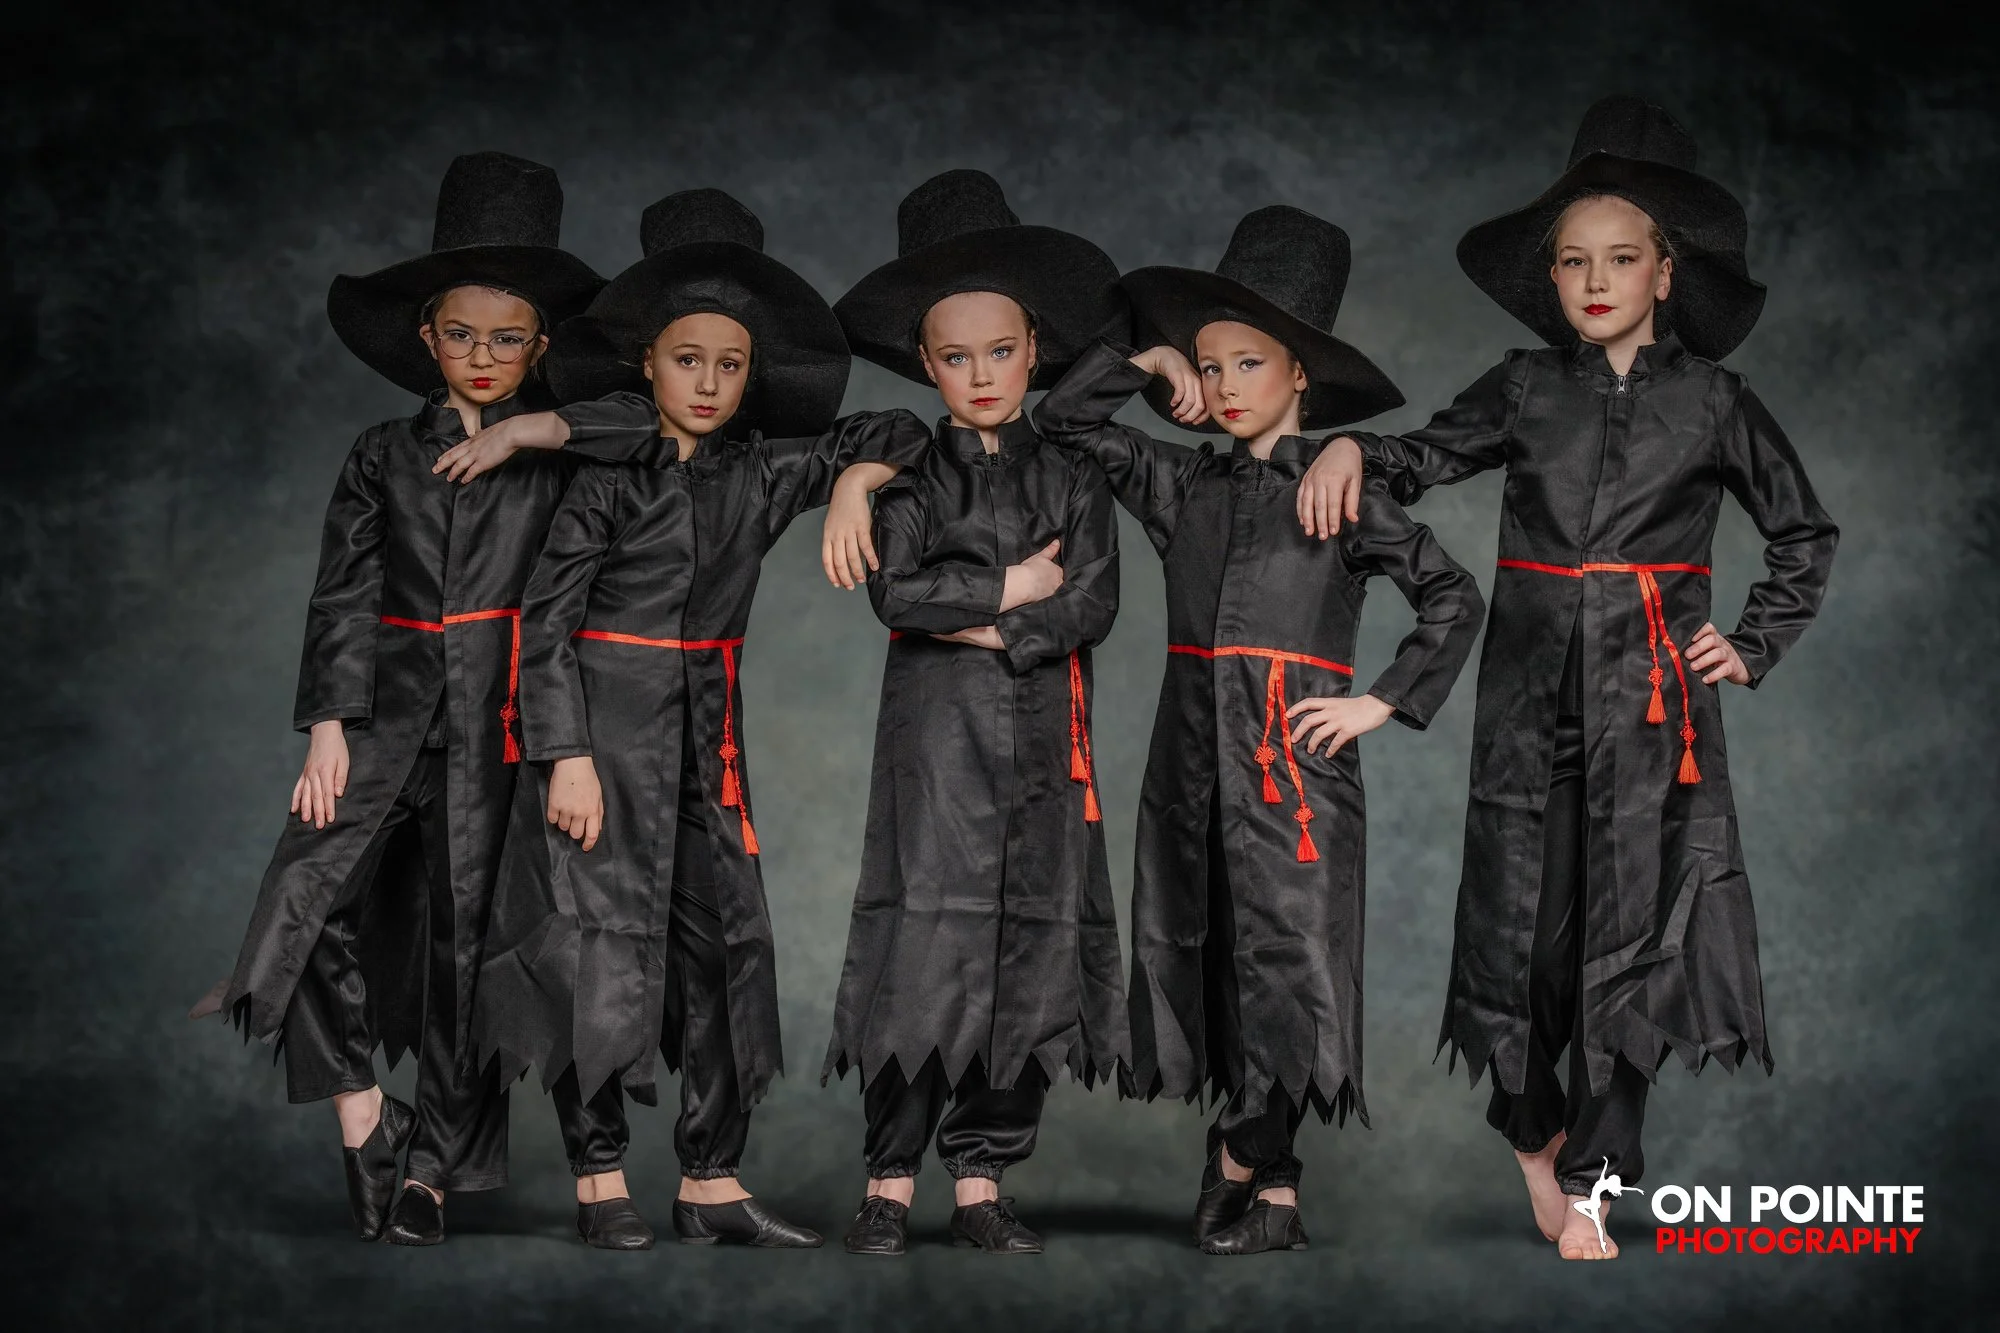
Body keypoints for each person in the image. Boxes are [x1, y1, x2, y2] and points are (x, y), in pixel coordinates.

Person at [1304, 96, 1839, 1259]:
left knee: (1635, 941)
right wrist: (1352, 444)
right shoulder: (1522, 386)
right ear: (1548, 277)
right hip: (1525, 702)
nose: (1594, 280)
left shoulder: (1714, 402)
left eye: (1620, 258)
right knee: (1527, 941)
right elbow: (1420, 454)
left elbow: (1802, 533)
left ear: (1663, 272)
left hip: (1652, 711)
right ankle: (1528, 1126)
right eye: (1572, 260)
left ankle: (1594, 1182)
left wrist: (1751, 641)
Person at [442, 188, 930, 1251]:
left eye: (730, 364)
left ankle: (711, 1181)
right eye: (686, 359)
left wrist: (854, 485)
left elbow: (900, 428)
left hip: (707, 739)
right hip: (602, 737)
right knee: (593, 952)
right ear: (647, 364)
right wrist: (564, 753)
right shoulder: (602, 480)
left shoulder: (761, 473)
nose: (707, 383)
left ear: (752, 375)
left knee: (724, 952)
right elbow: (543, 624)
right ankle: (600, 1177)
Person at [190, 152, 646, 1245]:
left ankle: (431, 1173)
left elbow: (654, 424)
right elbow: (342, 594)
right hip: (387, 718)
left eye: (508, 338)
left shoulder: (566, 455)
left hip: (505, 729)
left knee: (466, 946)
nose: (482, 357)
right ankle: (364, 1112)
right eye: (461, 335)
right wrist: (329, 727)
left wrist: (536, 426)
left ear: (541, 346)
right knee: (303, 904)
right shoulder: (382, 454)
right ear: (426, 338)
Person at [1032, 205, 1486, 1255]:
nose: (1227, 385)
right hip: (1191, 758)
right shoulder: (1180, 481)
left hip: (1294, 765)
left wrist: (1380, 700)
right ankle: (1276, 1195)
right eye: (1211, 364)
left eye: (1249, 362)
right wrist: (1144, 360)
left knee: (1291, 965)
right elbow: (1063, 425)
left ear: (1299, 374)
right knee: (1217, 959)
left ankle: (1239, 1154)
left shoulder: (1341, 489)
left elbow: (1452, 596)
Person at [820, 169, 1129, 1256]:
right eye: (955, 357)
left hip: (1045, 740)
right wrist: (1008, 588)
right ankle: (888, 1183)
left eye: (1000, 350)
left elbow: (1093, 602)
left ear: (1035, 347)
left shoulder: (1075, 476)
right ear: (925, 362)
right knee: (921, 947)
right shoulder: (907, 472)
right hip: (936, 746)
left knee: (1030, 949)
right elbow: (896, 595)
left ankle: (982, 1181)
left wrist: (994, 627)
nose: (981, 374)